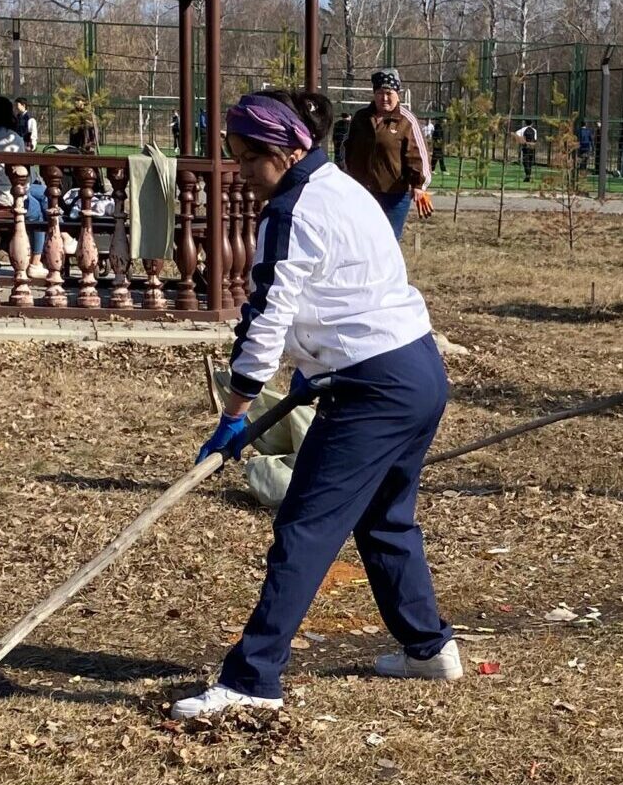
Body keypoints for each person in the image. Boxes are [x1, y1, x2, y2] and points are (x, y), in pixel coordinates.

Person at [173, 89, 456, 719]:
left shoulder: (292, 209)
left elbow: (267, 315)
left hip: (372, 387)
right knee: (385, 517)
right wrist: (311, 368)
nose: (243, 173)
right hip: (416, 369)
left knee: (305, 527)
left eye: (249, 159)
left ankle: (253, 677)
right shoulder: (342, 186)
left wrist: (234, 412)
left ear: (284, 147)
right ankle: (427, 647)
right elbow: (343, 290)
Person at [343, 69, 433, 239]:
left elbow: (418, 155)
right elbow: (347, 147)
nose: (384, 98)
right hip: (362, 192)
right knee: (362, 239)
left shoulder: (407, 121)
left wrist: (419, 185)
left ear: (397, 94)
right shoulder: (361, 118)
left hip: (394, 195)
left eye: (388, 93)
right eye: (379, 93)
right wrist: (346, 174)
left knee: (388, 241)